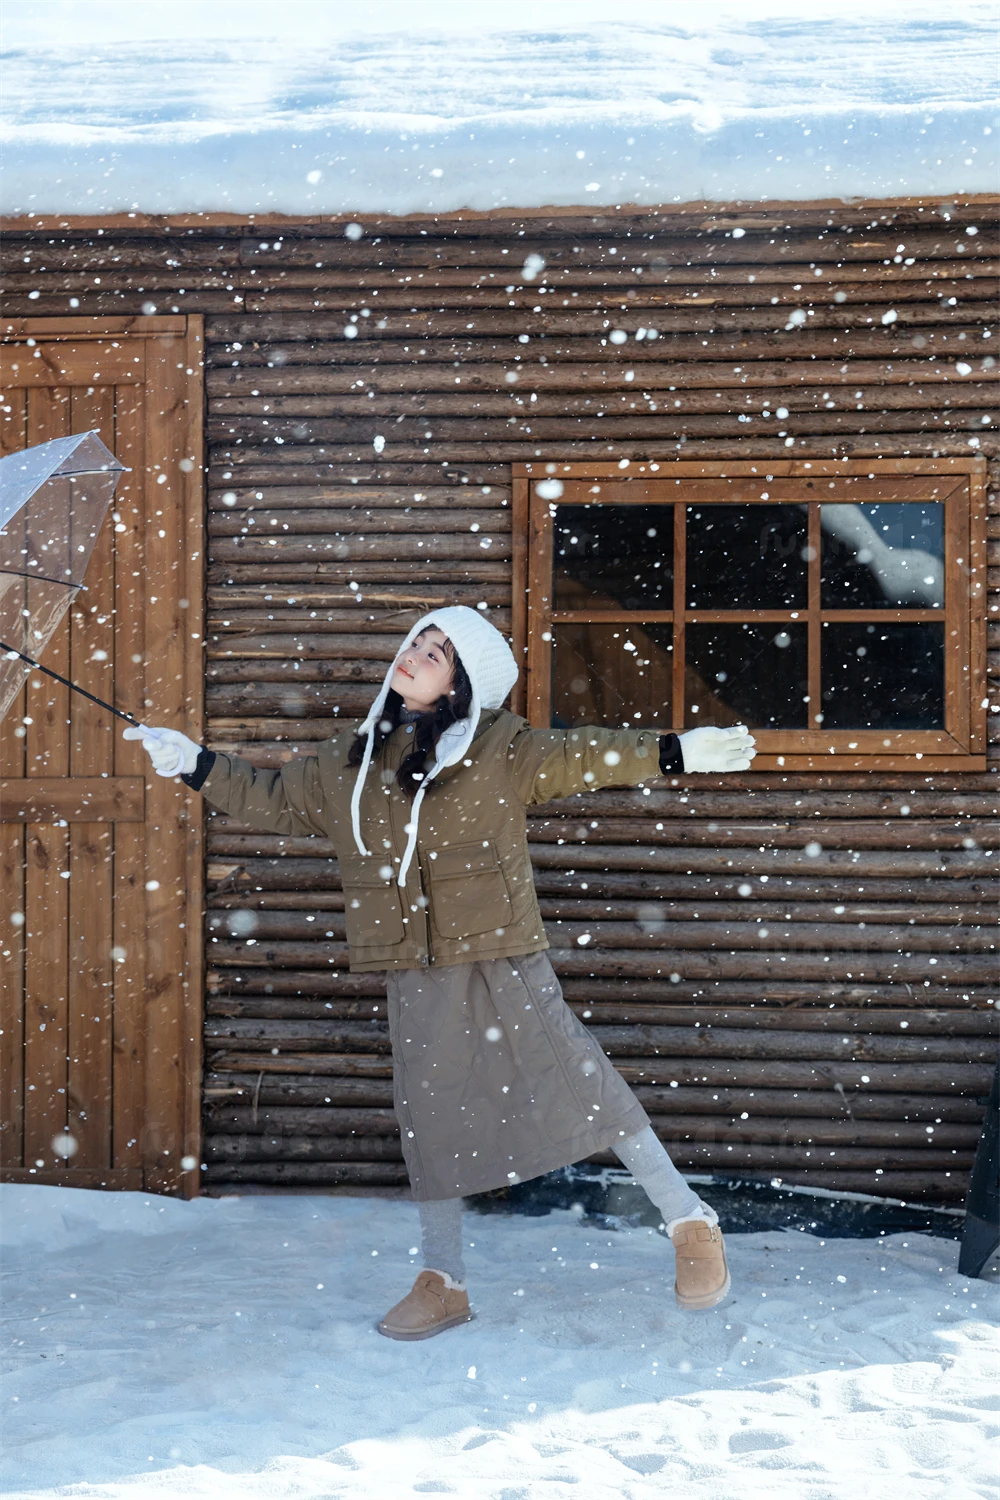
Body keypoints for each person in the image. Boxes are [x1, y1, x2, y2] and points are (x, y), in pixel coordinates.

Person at [125, 607, 756, 1341]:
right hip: (412, 962)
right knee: (432, 1118)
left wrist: (674, 751)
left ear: (462, 682)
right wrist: (195, 763)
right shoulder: (349, 762)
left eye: (436, 652)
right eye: (416, 643)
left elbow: (586, 755)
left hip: (498, 949)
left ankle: (689, 1223)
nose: (415, 655)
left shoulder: (500, 748)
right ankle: (443, 1278)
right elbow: (273, 800)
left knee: (578, 1079)